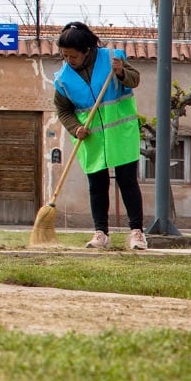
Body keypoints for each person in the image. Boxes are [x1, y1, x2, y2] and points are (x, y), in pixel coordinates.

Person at [53, 21, 147, 250]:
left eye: (72, 56)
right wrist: (75, 128)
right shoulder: (63, 79)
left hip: (120, 133)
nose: (69, 61)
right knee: (97, 185)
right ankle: (101, 233)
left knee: (127, 182)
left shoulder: (112, 58)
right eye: (64, 56)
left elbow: (135, 80)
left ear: (87, 51)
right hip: (91, 137)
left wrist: (121, 72)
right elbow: (63, 110)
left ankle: (137, 232)